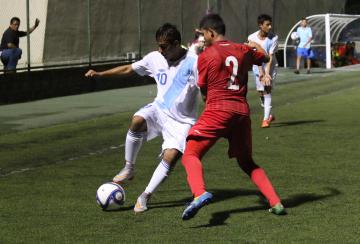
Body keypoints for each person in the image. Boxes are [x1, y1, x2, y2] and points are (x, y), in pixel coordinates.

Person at [181, 14, 286, 221]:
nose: (202, 38)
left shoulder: (207, 55)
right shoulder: (243, 49)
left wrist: (210, 103)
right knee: (247, 162)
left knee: (190, 153)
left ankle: (200, 192)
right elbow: (265, 57)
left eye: (203, 35)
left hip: (218, 110)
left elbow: (203, 90)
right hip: (241, 112)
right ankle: (276, 202)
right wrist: (253, 43)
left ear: (211, 32)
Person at [85, 23, 199, 213]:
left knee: (171, 157)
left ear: (177, 44)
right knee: (137, 119)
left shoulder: (194, 62)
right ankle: (129, 167)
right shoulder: (155, 58)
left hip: (183, 121)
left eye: (164, 46)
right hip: (159, 109)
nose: (159, 50)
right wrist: (101, 74)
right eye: (158, 45)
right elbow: (129, 69)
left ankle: (144, 196)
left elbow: (207, 86)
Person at [248, 14, 278, 128]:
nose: (270, 27)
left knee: (266, 90)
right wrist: (260, 72)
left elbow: (269, 58)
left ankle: (265, 120)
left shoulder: (274, 38)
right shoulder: (251, 37)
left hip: (270, 67)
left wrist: (266, 74)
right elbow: (256, 57)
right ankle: (270, 115)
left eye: (270, 24)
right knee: (261, 93)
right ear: (260, 25)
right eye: (267, 24)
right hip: (257, 66)